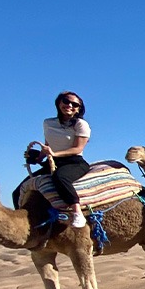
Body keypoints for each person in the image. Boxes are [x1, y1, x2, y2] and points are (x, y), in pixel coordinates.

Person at [40, 91, 92, 228]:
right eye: (66, 101)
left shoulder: (81, 124)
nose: (69, 105)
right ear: (59, 103)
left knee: (60, 177)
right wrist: (37, 157)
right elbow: (47, 144)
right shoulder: (48, 123)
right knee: (20, 190)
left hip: (74, 162)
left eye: (74, 104)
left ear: (79, 108)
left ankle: (77, 212)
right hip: (52, 162)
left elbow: (77, 149)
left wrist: (54, 153)